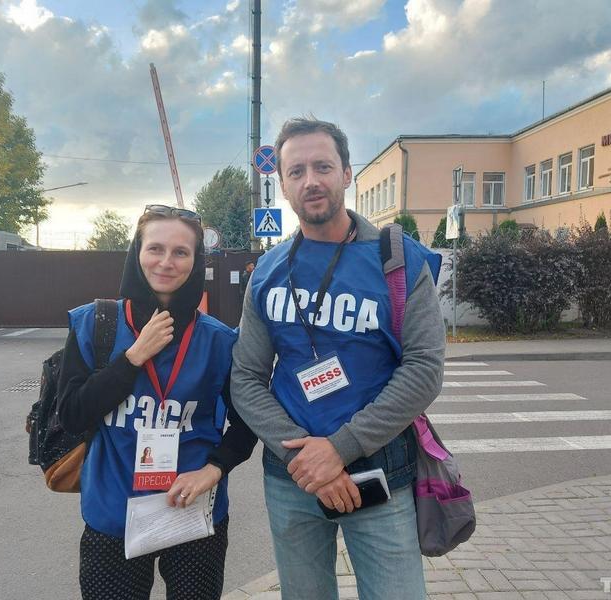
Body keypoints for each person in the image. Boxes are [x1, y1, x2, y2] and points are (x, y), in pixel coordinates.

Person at [231, 117, 445, 600]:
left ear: (347, 173)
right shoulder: (266, 272)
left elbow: (424, 369)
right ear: (282, 184)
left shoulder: (399, 259)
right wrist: (309, 458)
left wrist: (338, 450)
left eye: (323, 166)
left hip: (380, 466)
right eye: (297, 171)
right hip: (292, 476)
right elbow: (245, 377)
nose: (311, 181)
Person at [57, 204, 257, 600]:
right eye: (156, 249)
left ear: (196, 261)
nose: (166, 262)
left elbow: (248, 422)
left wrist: (214, 470)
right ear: (137, 252)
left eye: (181, 252)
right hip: (113, 514)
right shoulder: (96, 324)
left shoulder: (219, 341)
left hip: (193, 510)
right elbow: (72, 413)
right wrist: (132, 358)